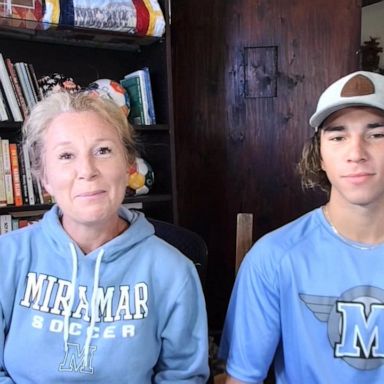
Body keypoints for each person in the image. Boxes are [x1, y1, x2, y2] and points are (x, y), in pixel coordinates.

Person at [0, 91, 209, 383]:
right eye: (66, 155)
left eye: (103, 151)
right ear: (43, 177)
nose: (87, 171)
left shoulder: (174, 271)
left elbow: (183, 377)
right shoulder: (6, 259)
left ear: (129, 165)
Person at [219, 70, 384, 383]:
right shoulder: (273, 257)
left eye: (377, 134)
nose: (356, 153)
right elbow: (242, 377)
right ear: (319, 155)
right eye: (338, 137)